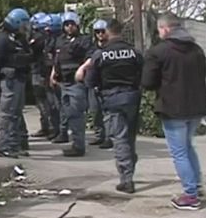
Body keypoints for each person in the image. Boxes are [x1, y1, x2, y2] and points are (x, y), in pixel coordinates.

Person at [141, 13, 206, 210]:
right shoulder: (197, 49)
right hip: (196, 107)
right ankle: (196, 185)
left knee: (179, 152)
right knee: (187, 147)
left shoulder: (159, 51)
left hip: (172, 108)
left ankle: (190, 196)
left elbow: (147, 82)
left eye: (159, 29)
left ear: (165, 29)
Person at [76, 19, 143, 193]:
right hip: (132, 97)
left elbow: (90, 81)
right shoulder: (134, 52)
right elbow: (143, 75)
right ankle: (130, 167)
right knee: (130, 137)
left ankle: (126, 179)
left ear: (107, 32)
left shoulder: (101, 55)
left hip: (112, 99)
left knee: (119, 138)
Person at [50, 11, 94, 157]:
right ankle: (75, 142)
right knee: (68, 114)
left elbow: (91, 57)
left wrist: (82, 69)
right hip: (63, 82)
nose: (69, 27)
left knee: (76, 114)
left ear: (77, 25)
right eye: (66, 24)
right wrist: (53, 74)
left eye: (72, 24)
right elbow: (57, 59)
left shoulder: (84, 40)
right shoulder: (60, 40)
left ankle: (79, 146)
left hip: (76, 83)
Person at [0, 8, 33, 159]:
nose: (25, 28)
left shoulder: (18, 39)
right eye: (23, 24)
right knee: (8, 114)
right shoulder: (2, 39)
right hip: (9, 80)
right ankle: (4, 146)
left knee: (16, 114)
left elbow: (29, 56)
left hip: (19, 80)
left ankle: (15, 145)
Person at [87, 19, 112, 149]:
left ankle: (109, 137)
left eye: (103, 31)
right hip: (94, 83)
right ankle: (99, 135)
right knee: (95, 111)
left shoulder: (112, 47)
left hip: (107, 83)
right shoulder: (92, 48)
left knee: (108, 113)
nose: (100, 34)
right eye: (97, 32)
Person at [28, 13, 52, 138]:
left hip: (39, 71)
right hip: (44, 71)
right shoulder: (49, 37)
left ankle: (47, 126)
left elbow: (30, 51)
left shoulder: (38, 38)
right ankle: (48, 126)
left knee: (42, 100)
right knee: (46, 99)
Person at [44, 13, 65, 141]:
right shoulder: (49, 39)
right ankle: (56, 129)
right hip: (48, 75)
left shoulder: (58, 41)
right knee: (52, 105)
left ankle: (62, 131)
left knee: (59, 105)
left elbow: (56, 60)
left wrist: (53, 74)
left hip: (56, 76)